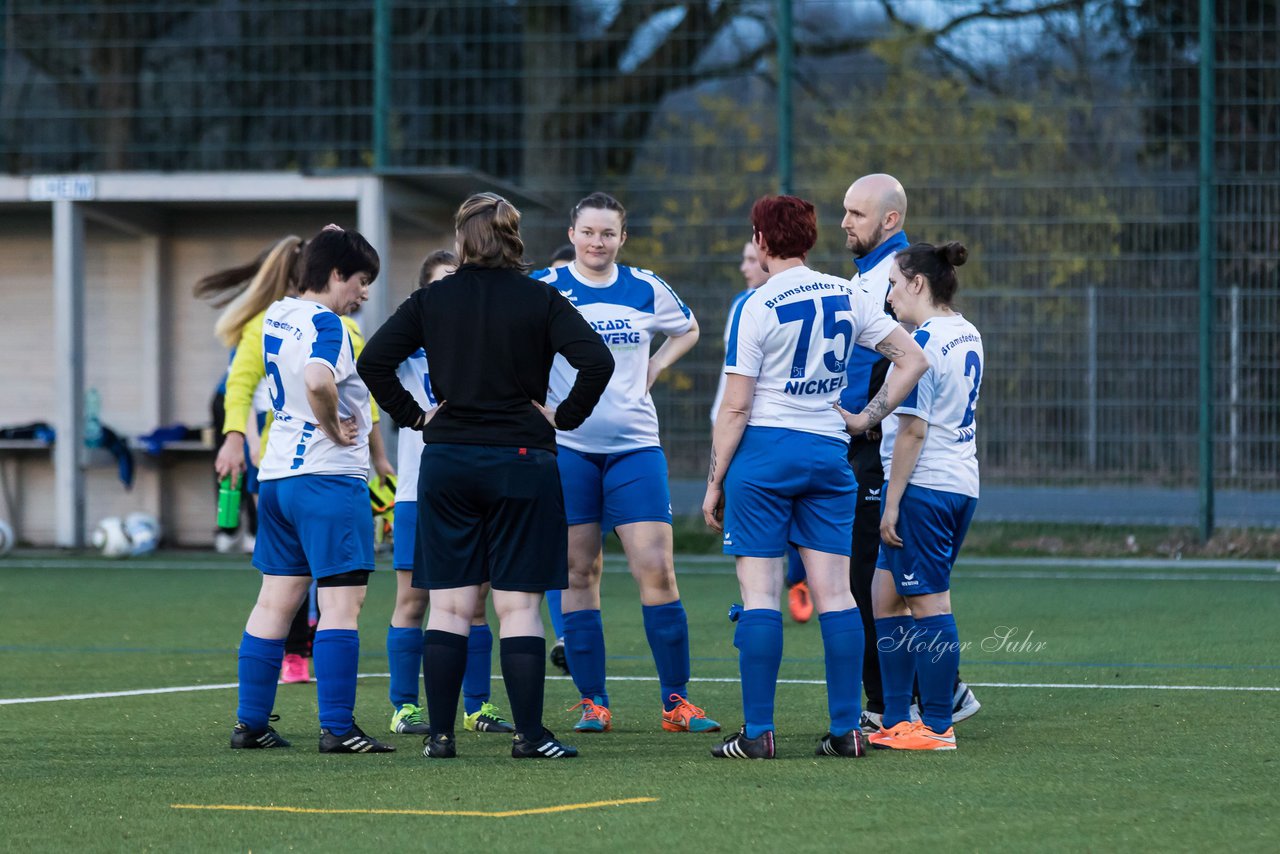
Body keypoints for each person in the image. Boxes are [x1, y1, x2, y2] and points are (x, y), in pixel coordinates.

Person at [358, 192, 614, 760]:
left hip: (448, 463)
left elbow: (371, 361)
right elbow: (598, 361)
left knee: (448, 607)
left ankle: (441, 737)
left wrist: (416, 417)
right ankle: (530, 736)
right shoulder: (541, 298)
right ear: (513, 236)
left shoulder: (431, 300)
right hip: (523, 461)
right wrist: (564, 416)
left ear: (461, 239)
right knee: (518, 607)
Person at [702, 195, 927, 759]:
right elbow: (913, 359)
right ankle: (848, 730)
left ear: (760, 238)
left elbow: (734, 409)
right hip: (829, 456)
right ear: (810, 236)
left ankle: (757, 735)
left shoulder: (755, 305)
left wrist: (714, 481)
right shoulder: (848, 292)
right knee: (836, 596)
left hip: (765, 456)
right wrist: (866, 418)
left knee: (760, 595)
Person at [536, 191, 718, 735]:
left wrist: (658, 365)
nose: (597, 242)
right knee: (577, 573)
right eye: (589, 232)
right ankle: (594, 702)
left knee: (657, 569)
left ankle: (677, 702)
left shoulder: (645, 286)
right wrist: (539, 406)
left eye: (608, 233)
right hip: (568, 450)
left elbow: (688, 328)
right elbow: (516, 349)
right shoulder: (546, 289)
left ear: (622, 238)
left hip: (636, 448)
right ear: (572, 234)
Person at [228, 224, 395, 753]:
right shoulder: (332, 326)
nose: (363, 294)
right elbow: (320, 380)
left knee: (274, 603)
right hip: (327, 482)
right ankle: (339, 728)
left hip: (276, 480)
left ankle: (251, 723)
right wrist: (332, 426)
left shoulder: (277, 314)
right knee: (344, 606)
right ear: (337, 274)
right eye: (361, 280)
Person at [838, 173, 981, 730]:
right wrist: (858, 419)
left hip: (924, 484)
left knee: (927, 604)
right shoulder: (965, 332)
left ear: (917, 284)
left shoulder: (921, 344)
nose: (889, 296)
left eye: (896, 287)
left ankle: (939, 721)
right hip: (958, 480)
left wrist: (892, 501)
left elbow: (915, 429)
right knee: (883, 593)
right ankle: (895, 715)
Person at [383, 249, 515, 737]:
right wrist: (412, 417)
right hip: (419, 491)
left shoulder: (481, 348)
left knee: (476, 603)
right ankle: (404, 706)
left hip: (470, 489)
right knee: (413, 599)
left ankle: (478, 707)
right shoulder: (407, 350)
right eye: (441, 285)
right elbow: (368, 365)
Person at [712, 241, 814, 625]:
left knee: (795, 516)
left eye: (752, 260)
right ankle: (765, 594)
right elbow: (733, 376)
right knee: (758, 528)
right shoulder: (742, 303)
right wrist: (718, 424)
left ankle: (796, 581)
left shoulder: (786, 301)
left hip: (773, 429)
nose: (745, 267)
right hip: (739, 421)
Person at [544, 242, 579, 676]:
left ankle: (571, 633)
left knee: (577, 552)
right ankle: (563, 634)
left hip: (591, 441)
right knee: (559, 546)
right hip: (546, 443)